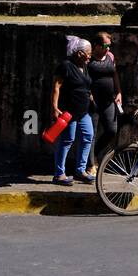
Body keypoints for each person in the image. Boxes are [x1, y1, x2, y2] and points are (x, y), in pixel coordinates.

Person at [52, 35, 95, 185]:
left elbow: (86, 85)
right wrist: (55, 107)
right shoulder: (66, 66)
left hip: (84, 111)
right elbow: (57, 86)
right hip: (69, 112)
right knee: (67, 140)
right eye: (88, 53)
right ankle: (59, 174)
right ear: (79, 53)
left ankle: (80, 170)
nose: (90, 56)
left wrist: (91, 98)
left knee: (88, 136)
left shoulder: (85, 66)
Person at [84, 31, 123, 179]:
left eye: (110, 46)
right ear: (96, 46)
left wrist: (119, 92)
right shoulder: (89, 60)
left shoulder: (110, 57)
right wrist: (89, 95)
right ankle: (90, 164)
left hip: (108, 101)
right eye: (105, 46)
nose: (108, 49)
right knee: (91, 133)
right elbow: (84, 78)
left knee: (112, 130)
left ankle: (96, 153)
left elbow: (114, 74)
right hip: (93, 102)